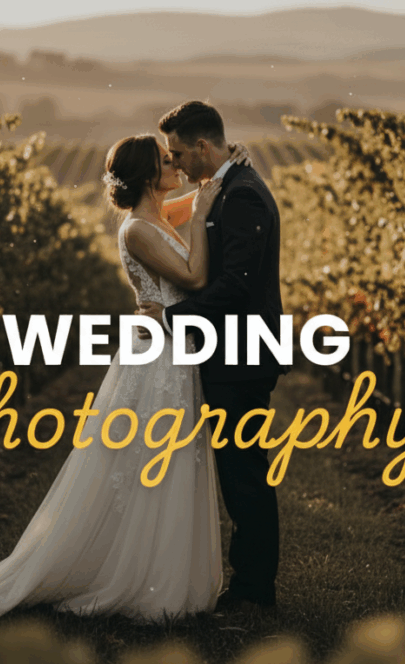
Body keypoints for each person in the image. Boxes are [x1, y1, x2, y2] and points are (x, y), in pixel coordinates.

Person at [0, 133, 251, 622]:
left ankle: (154, 568)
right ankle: (137, 578)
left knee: (165, 459)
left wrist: (222, 174)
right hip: (157, 356)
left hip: (169, 349)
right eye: (168, 161)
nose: (177, 167)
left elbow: (197, 200)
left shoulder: (157, 217)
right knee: (150, 461)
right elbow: (191, 276)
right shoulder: (138, 229)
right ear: (148, 175)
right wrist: (206, 201)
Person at [137, 101, 289, 613]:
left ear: (204, 146)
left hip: (242, 356)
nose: (174, 164)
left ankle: (253, 588)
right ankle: (249, 582)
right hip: (233, 353)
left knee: (244, 473)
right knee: (240, 470)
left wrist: (173, 320)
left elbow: (236, 287)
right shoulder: (225, 185)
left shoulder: (241, 194)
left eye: (179, 153)